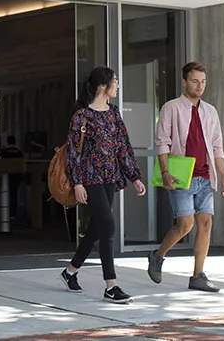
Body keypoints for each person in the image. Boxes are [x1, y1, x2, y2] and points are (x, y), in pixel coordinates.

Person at [59, 67, 146, 303]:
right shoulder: (81, 116)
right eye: (114, 82)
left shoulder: (114, 114)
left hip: (110, 178)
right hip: (89, 179)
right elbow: (74, 154)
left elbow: (123, 148)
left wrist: (135, 176)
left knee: (97, 229)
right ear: (102, 87)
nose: (117, 86)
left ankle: (70, 272)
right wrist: (77, 182)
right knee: (108, 226)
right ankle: (111, 286)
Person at [146, 61, 224, 293]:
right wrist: (165, 172)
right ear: (184, 82)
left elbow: (217, 147)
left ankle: (198, 275)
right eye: (195, 81)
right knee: (185, 224)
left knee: (205, 223)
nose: (199, 86)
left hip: (206, 176)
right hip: (180, 175)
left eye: (203, 82)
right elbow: (162, 142)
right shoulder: (171, 108)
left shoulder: (210, 111)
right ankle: (157, 255)